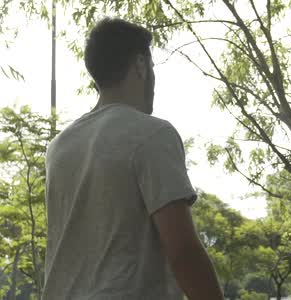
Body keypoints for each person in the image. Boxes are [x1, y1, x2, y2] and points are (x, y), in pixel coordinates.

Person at [42, 18, 224, 300]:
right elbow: (183, 252)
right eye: (152, 67)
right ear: (140, 65)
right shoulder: (152, 135)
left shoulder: (58, 148)